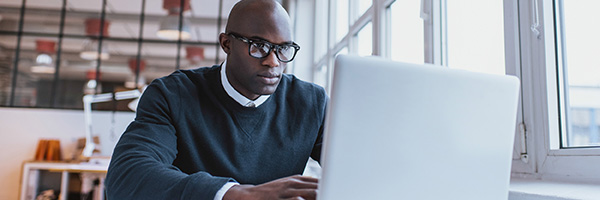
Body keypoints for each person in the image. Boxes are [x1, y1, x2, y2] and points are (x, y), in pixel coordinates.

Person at [104, 0, 327, 199]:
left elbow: (354, 165)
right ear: (226, 44)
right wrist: (234, 194)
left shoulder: (311, 102)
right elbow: (126, 176)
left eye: (283, 49)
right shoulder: (173, 95)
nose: (273, 62)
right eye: (259, 46)